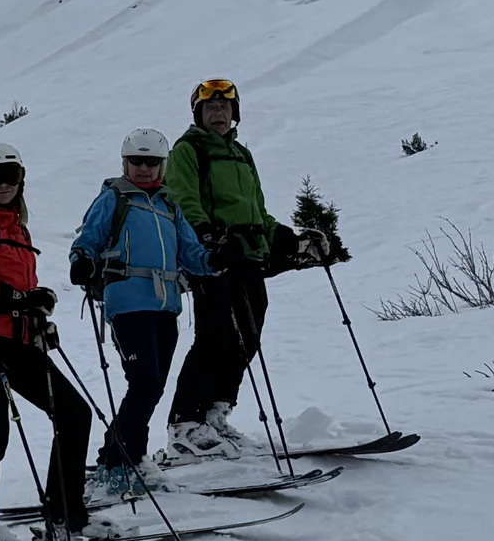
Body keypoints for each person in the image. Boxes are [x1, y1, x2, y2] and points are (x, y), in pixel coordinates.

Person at [163, 79, 329, 460]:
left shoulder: (240, 155)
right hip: (214, 257)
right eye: (210, 109)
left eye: (225, 108)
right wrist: (206, 237)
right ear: (199, 114)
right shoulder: (188, 150)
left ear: (234, 113)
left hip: (248, 256)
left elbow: (256, 209)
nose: (218, 114)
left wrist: (286, 237)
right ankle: (185, 425)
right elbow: (182, 198)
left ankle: (215, 416)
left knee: (247, 337)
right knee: (214, 337)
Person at [0, 142, 92, 541]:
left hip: (19, 340)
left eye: (11, 176)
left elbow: (17, 291)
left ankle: (64, 515)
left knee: (75, 414)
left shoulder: (16, 226)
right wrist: (19, 299)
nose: (4, 185)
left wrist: (35, 315)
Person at [69, 128, 212, 490]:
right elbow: (88, 239)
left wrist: (216, 259)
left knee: (154, 385)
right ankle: (120, 460)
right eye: (137, 161)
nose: (144, 168)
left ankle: (123, 456)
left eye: (152, 162)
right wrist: (82, 260)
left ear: (162, 165)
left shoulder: (169, 207)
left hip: (166, 306)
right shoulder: (114, 199)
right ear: (125, 163)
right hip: (128, 302)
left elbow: (192, 255)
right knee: (144, 381)